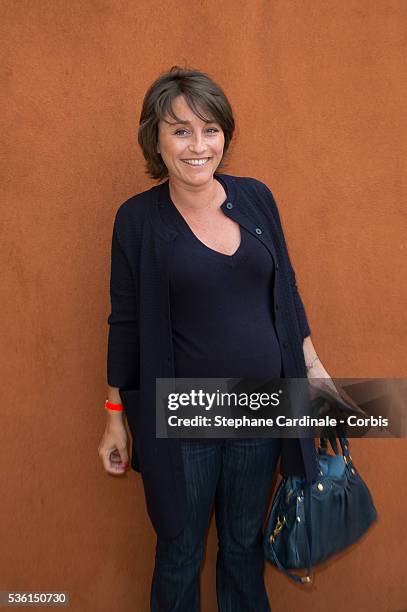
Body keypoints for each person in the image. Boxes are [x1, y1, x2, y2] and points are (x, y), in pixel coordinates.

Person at [98, 66, 333, 611]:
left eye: (210, 129)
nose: (198, 145)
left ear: (224, 134)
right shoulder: (137, 220)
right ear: (155, 139)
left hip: (260, 407)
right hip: (184, 418)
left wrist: (315, 371)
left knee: (243, 549)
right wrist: (114, 415)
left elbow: (287, 293)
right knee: (179, 552)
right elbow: (125, 322)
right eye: (180, 130)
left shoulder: (256, 199)